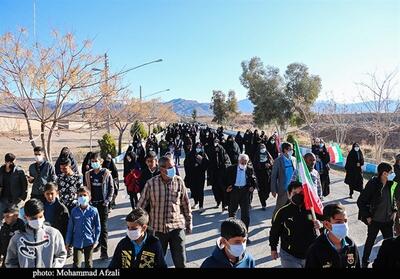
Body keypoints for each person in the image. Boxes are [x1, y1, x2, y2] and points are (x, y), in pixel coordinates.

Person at [137, 156, 192, 268]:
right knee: (156, 262)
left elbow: (186, 204)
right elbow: (140, 207)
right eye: (170, 167)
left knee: (180, 262)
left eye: (173, 167)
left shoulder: (179, 181)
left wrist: (189, 222)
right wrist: (138, 227)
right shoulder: (151, 184)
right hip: (157, 230)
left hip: (176, 228)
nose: (173, 169)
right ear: (162, 169)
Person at [357, 162, 400, 268]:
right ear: (384, 173)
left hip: (387, 222)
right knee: (370, 242)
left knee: (391, 244)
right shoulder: (373, 184)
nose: (392, 174)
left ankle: (390, 262)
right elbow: (360, 201)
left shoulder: (391, 184)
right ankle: (365, 262)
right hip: (374, 220)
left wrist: (394, 210)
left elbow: (392, 199)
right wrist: (367, 216)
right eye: (391, 172)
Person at [269, 181, 322, 268]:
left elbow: (326, 226)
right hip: (289, 256)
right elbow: (275, 231)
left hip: (311, 254)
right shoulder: (283, 212)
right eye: (295, 193)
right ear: (289, 194)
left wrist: (320, 225)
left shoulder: (312, 210)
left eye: (301, 193)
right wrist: (273, 248)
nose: (298, 195)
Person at [5, 199, 66, 268]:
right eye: (33, 218)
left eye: (40, 217)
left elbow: (61, 255)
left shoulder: (53, 234)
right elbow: (10, 262)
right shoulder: (17, 238)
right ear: (25, 217)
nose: (38, 221)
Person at [305, 203, 360, 268]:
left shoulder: (351, 245)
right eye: (338, 222)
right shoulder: (316, 249)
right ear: (326, 224)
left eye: (345, 221)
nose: (344, 225)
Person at [84, 152, 114, 259]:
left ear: (101, 161)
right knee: (92, 227)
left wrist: (107, 201)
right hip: (92, 205)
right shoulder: (88, 174)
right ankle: (95, 245)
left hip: (103, 204)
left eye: (96, 161)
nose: (94, 163)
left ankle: (104, 251)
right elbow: (86, 189)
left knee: (103, 228)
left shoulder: (106, 173)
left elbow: (111, 188)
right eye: (92, 162)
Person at [66, 187, 100, 268]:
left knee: (88, 263)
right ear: (77, 197)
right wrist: (67, 242)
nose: (82, 197)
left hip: (89, 241)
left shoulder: (93, 211)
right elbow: (70, 228)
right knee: (76, 263)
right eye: (80, 195)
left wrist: (96, 241)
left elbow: (98, 227)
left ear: (89, 197)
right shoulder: (74, 211)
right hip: (77, 242)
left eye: (85, 195)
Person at [225, 154, 257, 235]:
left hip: (245, 192)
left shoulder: (249, 169)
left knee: (245, 215)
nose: (243, 164)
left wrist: (252, 187)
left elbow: (254, 179)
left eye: (245, 163)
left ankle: (244, 234)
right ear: (239, 161)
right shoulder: (231, 168)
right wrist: (226, 187)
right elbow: (223, 178)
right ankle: (232, 233)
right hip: (234, 191)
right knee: (232, 213)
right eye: (242, 162)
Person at [271, 142, 296, 217]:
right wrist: (273, 190)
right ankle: (274, 221)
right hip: (284, 189)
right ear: (285, 150)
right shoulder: (278, 161)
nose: (292, 151)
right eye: (291, 149)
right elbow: (273, 176)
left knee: (292, 207)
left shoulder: (294, 159)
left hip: (293, 189)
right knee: (280, 207)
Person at [0, 153, 28, 221]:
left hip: (15, 200)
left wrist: (21, 197)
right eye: (12, 162)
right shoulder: (1, 170)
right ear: (7, 162)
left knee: (14, 219)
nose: (13, 164)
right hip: (3, 199)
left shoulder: (19, 171)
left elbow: (24, 185)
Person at [206, 138, 232, 211]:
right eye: (214, 142)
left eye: (217, 142)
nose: (215, 143)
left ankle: (224, 205)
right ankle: (218, 201)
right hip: (213, 173)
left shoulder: (222, 149)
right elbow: (208, 161)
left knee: (223, 189)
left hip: (222, 173)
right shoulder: (210, 149)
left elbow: (227, 160)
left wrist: (225, 167)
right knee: (215, 189)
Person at [184, 142, 209, 212]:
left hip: (201, 175)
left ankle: (201, 206)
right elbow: (186, 164)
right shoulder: (190, 154)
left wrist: (202, 162)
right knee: (194, 190)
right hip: (192, 175)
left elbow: (207, 163)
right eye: (197, 147)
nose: (198, 148)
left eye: (200, 147)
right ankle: (196, 202)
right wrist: (192, 165)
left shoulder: (203, 154)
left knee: (200, 190)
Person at [252, 144, 273, 210]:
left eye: (264, 147)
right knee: (260, 190)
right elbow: (255, 167)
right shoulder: (256, 156)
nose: (263, 148)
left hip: (267, 175)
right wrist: (263, 166)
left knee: (267, 190)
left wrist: (269, 165)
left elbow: (272, 164)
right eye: (261, 147)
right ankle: (263, 204)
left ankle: (265, 197)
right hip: (259, 176)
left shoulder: (268, 154)